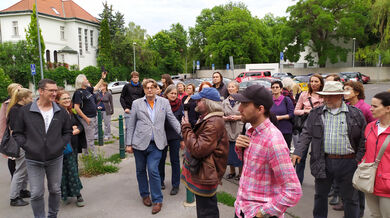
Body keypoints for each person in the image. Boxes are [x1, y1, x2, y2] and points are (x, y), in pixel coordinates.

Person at [292, 81, 367, 218]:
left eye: (330, 96)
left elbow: (363, 140)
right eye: (324, 96)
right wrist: (298, 151)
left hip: (349, 162)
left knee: (351, 199)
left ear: (340, 96)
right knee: (320, 196)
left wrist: (358, 160)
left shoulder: (355, 114)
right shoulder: (316, 113)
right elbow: (306, 133)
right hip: (323, 161)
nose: (326, 99)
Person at [232, 85, 302, 218]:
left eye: (245, 105)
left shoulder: (273, 140)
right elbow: (254, 168)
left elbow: (293, 190)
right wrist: (240, 148)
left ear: (260, 109)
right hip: (243, 208)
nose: (239, 109)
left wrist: (263, 213)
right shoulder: (251, 131)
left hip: (259, 213)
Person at [13, 79, 72, 218]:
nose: (54, 93)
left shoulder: (61, 112)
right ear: (41, 91)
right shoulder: (25, 111)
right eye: (51, 90)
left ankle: (52, 215)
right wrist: (28, 146)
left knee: (55, 190)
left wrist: (60, 146)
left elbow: (67, 132)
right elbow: (17, 133)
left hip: (55, 158)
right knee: (36, 193)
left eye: (55, 90)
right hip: (33, 159)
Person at [125, 79, 181, 215]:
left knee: (152, 169)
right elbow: (131, 124)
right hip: (139, 143)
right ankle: (145, 195)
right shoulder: (136, 103)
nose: (150, 90)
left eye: (152, 87)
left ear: (157, 89)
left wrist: (182, 133)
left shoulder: (164, 102)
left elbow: (172, 119)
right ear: (144, 90)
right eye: (147, 88)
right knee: (140, 171)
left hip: (157, 143)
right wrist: (128, 143)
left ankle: (157, 200)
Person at [181, 87, 229, 218]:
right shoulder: (209, 119)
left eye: (199, 100)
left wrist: (186, 128)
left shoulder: (213, 122)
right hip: (206, 172)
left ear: (208, 103)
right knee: (205, 208)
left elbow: (198, 150)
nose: (196, 103)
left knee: (207, 211)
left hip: (207, 174)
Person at [56, 90, 86, 207]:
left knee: (73, 170)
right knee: (63, 172)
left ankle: (77, 194)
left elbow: (80, 125)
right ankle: (68, 194)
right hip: (61, 147)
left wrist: (77, 129)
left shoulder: (70, 111)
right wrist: (70, 129)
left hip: (72, 146)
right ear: (57, 101)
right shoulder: (55, 114)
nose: (68, 100)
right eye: (64, 99)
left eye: (68, 98)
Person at [362, 91, 390, 218]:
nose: (370, 109)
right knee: (374, 215)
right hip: (369, 181)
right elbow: (366, 150)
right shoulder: (370, 127)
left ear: (388, 108)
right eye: (371, 105)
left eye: (375, 106)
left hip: (387, 186)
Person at [294, 73, 324, 184]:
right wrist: (306, 111)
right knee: (301, 154)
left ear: (321, 83)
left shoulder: (325, 95)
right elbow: (296, 111)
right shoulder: (304, 94)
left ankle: (320, 180)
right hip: (306, 126)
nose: (313, 84)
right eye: (312, 81)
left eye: (316, 81)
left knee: (318, 155)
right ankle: (298, 180)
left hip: (321, 127)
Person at [6, 88, 32, 207]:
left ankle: (22, 190)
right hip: (21, 144)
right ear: (23, 98)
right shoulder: (17, 110)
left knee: (24, 169)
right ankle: (14, 197)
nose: (32, 100)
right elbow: (17, 129)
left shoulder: (17, 108)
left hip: (23, 143)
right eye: (30, 98)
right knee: (20, 171)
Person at [73, 71, 106, 156]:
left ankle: (87, 155)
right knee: (90, 139)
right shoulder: (78, 92)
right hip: (87, 118)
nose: (87, 80)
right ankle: (92, 157)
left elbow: (95, 88)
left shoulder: (86, 90)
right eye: (86, 79)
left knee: (88, 138)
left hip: (92, 117)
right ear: (81, 82)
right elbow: (76, 107)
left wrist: (102, 78)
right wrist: (86, 118)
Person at [158, 84, 183, 195]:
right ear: (166, 94)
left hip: (175, 136)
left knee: (175, 160)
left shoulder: (180, 105)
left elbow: (182, 122)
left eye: (175, 94)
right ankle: (160, 181)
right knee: (161, 159)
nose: (173, 95)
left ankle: (175, 184)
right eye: (171, 93)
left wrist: (182, 138)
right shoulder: (161, 103)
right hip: (162, 135)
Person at [222, 81, 244, 180]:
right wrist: (225, 118)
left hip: (239, 127)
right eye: (229, 87)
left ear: (237, 89)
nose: (230, 88)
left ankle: (240, 173)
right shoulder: (224, 102)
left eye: (232, 87)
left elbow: (245, 115)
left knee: (239, 150)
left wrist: (237, 117)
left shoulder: (242, 101)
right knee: (229, 152)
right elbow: (220, 115)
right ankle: (231, 171)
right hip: (228, 128)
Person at [0, 83, 22, 178]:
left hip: (24, 134)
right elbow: (2, 121)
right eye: (19, 89)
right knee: (12, 156)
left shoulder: (24, 102)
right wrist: (2, 138)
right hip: (12, 134)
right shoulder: (6, 104)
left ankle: (21, 181)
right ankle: (14, 178)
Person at [270, 80, 295, 149]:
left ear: (281, 89)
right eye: (273, 87)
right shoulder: (269, 100)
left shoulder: (287, 100)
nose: (275, 89)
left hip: (285, 130)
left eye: (277, 87)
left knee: (285, 150)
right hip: (272, 131)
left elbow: (292, 114)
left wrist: (279, 117)